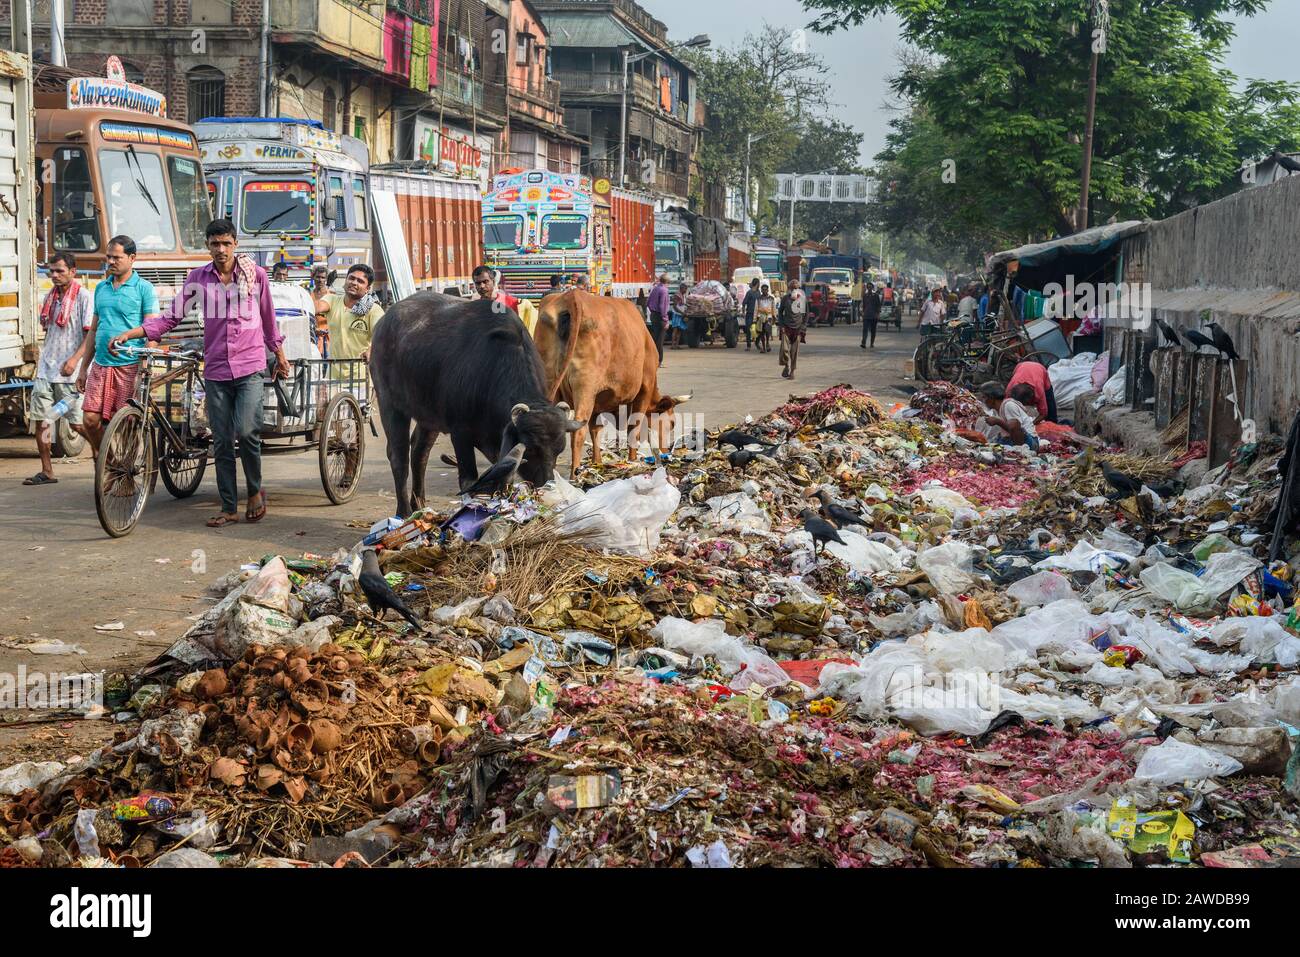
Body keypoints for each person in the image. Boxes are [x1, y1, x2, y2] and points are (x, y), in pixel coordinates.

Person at [111, 219, 290, 527]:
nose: (220, 249)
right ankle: (229, 506)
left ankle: (256, 490)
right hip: (217, 368)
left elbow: (268, 318)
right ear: (207, 245)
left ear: (235, 244)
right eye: (214, 244)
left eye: (226, 243)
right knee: (220, 441)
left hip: (250, 365)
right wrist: (132, 333)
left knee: (247, 431)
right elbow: (171, 317)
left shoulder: (255, 276)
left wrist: (280, 355)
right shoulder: (198, 279)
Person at [75, 235, 160, 458]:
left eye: (117, 257)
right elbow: (94, 330)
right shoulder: (102, 287)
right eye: (108, 257)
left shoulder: (144, 289)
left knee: (128, 423)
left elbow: (152, 329)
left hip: (130, 365)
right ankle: (111, 463)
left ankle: (128, 472)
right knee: (90, 420)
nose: (111, 261)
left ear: (132, 258)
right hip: (101, 364)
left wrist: (145, 369)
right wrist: (83, 368)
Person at [24, 252, 93, 485]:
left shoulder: (84, 297)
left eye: (59, 271)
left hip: (71, 373)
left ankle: (104, 454)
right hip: (46, 369)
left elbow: (89, 335)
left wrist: (74, 360)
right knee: (42, 422)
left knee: (77, 424)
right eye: (51, 271)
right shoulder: (49, 297)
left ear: (73, 272)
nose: (54, 275)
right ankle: (47, 470)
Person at [324, 264, 385, 361]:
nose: (354, 283)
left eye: (360, 281)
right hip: (332, 373)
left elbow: (382, 334)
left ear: (367, 289)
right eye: (351, 278)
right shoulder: (332, 300)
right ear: (346, 280)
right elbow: (316, 307)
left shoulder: (374, 309)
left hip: (360, 374)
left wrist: (371, 350)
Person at [976, 381, 1040, 450]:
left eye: (984, 397)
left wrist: (998, 422)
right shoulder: (996, 410)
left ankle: (1020, 452)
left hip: (1029, 442)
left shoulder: (1008, 405)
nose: (983, 400)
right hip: (1009, 440)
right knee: (988, 448)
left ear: (991, 398)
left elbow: (1016, 429)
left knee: (1013, 423)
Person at [1007, 359, 1058, 423]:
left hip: (1039, 368)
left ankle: (1053, 423)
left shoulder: (1039, 391)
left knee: (1050, 406)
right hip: (1021, 366)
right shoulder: (1010, 388)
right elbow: (1005, 405)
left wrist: (1031, 424)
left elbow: (1043, 413)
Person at [778, 279, 808, 380]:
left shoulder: (802, 299)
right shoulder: (785, 299)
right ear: (789, 289)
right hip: (786, 328)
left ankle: (792, 371)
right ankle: (786, 366)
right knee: (784, 350)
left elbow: (806, 314)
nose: (795, 289)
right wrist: (781, 325)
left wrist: (803, 327)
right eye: (793, 288)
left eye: (797, 288)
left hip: (798, 328)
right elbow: (780, 312)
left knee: (794, 352)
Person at [646, 274, 670, 366]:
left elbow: (648, 302)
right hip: (660, 317)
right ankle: (658, 361)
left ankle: (652, 359)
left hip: (653, 315)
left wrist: (652, 311)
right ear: (667, 282)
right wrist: (665, 320)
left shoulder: (655, 288)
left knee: (655, 338)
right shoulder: (664, 290)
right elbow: (662, 306)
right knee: (660, 340)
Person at [755, 283, 776, 353]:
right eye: (763, 290)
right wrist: (755, 319)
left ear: (768, 290)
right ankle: (763, 347)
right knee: (761, 333)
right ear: (761, 290)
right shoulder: (758, 299)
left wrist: (774, 317)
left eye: (765, 290)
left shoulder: (771, 298)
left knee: (767, 331)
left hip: (769, 317)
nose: (764, 291)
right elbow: (756, 309)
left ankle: (767, 343)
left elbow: (774, 308)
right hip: (760, 317)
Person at [860, 281, 882, 350]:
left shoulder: (876, 296)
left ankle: (872, 343)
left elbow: (878, 306)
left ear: (872, 288)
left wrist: (878, 314)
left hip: (873, 316)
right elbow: (863, 306)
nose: (869, 288)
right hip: (866, 315)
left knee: (873, 331)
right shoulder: (865, 296)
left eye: (870, 287)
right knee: (865, 330)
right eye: (868, 287)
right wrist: (862, 313)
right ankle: (863, 343)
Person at [742, 278, 760, 350]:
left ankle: (757, 344)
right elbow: (744, 303)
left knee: (758, 329)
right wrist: (743, 312)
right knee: (748, 330)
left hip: (757, 314)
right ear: (757, 283)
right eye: (759, 283)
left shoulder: (758, 292)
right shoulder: (749, 293)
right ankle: (748, 346)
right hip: (749, 314)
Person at [669, 282, 689, 349]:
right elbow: (675, 307)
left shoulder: (684, 295)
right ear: (682, 288)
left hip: (681, 314)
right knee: (675, 330)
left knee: (680, 330)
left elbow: (684, 305)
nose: (686, 290)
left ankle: (677, 345)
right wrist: (682, 313)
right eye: (685, 289)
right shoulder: (677, 295)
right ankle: (672, 345)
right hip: (677, 314)